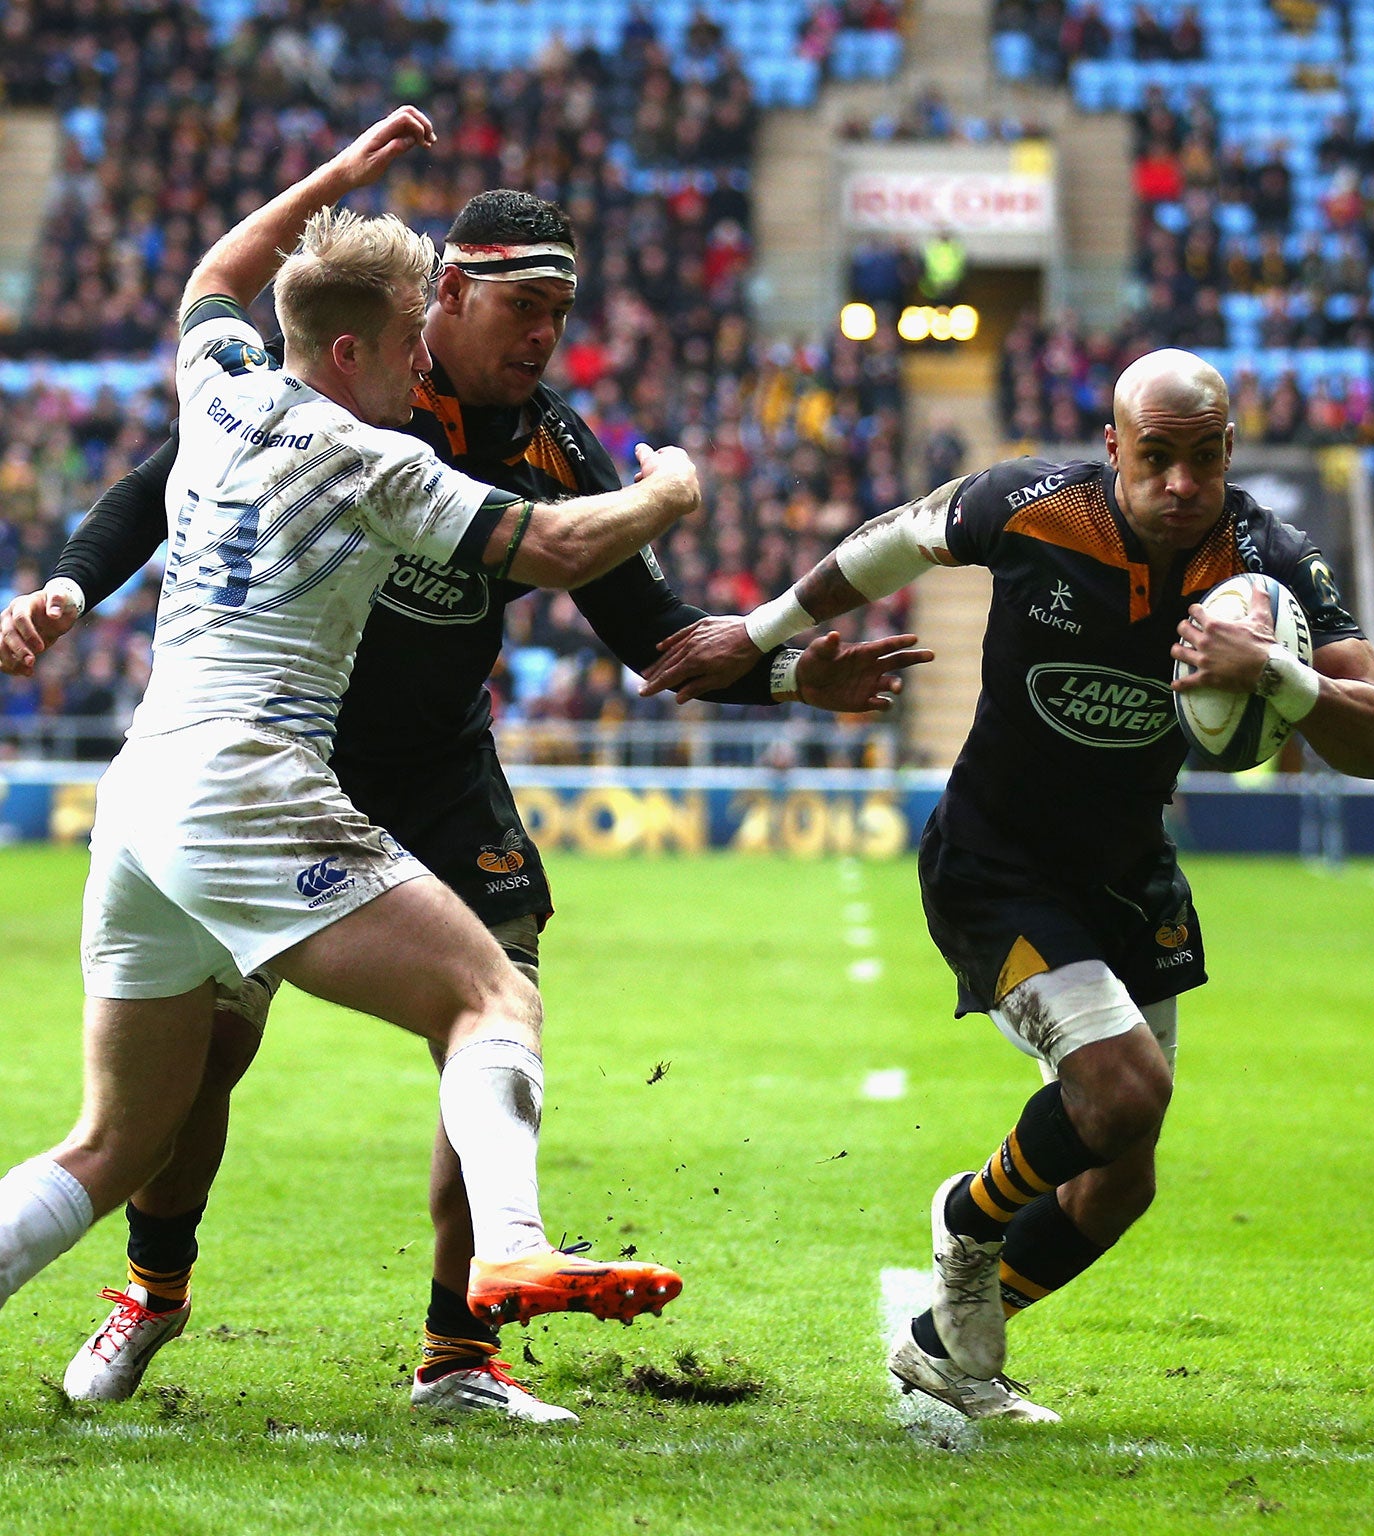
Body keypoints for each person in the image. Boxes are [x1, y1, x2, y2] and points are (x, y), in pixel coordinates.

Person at [0, 189, 928, 1422]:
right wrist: (71, 587)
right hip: (277, 777)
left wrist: (788, 672)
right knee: (224, 1060)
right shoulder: (356, 413)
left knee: (486, 1010)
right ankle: (157, 1293)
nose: (544, 334)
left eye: (561, 311)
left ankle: (457, 1354)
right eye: (522, 307)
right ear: (438, 301)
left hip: (410, 770)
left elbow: (652, 638)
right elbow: (153, 488)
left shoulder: (524, 436)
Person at [638, 348, 1374, 1419]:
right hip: (994, 866)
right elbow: (893, 540)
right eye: (1155, 459)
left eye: (1202, 459)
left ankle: (940, 1352)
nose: (1180, 484)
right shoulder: (1032, 505)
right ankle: (968, 1217)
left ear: (1229, 452)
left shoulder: (1268, 561)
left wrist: (1272, 672)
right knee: (1125, 1088)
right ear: (1112, 450)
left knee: (1121, 1174)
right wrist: (762, 634)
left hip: (1129, 877)